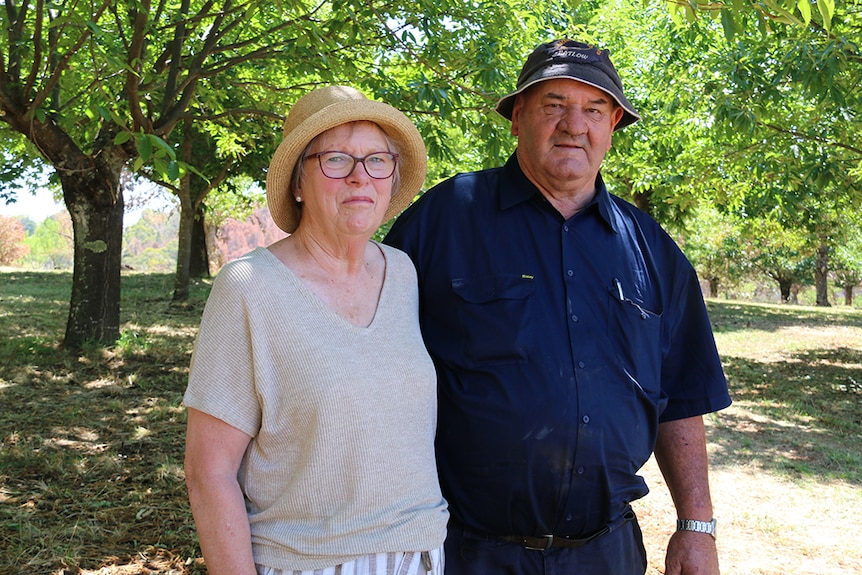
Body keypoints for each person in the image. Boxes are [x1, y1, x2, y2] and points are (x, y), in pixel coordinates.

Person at [384, 39, 732, 575]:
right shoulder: (444, 220)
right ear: (518, 116)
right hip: (466, 551)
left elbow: (682, 394)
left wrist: (697, 526)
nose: (575, 125)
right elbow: (375, 372)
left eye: (594, 109)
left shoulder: (650, 248)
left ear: (613, 124)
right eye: (554, 105)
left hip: (606, 552)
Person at [184, 85, 449, 575]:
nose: (359, 177)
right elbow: (209, 472)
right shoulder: (249, 288)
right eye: (336, 160)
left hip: (421, 554)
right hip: (309, 563)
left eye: (377, 160)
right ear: (298, 182)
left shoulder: (405, 273)